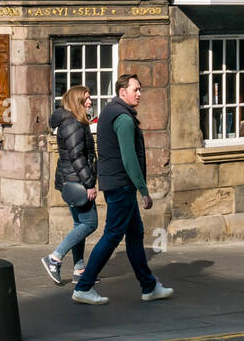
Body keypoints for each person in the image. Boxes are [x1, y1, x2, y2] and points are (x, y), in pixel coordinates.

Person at [72, 74, 172, 306]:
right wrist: (143, 190)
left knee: (135, 235)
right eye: (135, 89)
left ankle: (149, 286)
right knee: (112, 235)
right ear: (122, 91)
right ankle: (84, 286)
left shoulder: (110, 111)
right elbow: (129, 158)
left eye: (140, 89)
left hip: (114, 183)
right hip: (122, 185)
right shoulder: (124, 118)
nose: (139, 94)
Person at [42, 86, 98, 285]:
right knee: (90, 223)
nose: (90, 101)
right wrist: (89, 183)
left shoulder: (73, 121)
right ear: (77, 102)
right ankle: (55, 257)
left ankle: (79, 270)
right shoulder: (73, 123)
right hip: (77, 182)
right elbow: (77, 157)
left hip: (72, 180)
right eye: (87, 98)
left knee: (79, 224)